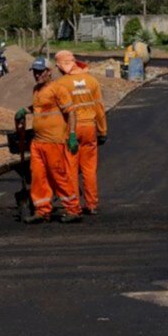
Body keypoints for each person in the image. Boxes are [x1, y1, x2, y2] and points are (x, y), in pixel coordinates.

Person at [16, 57, 81, 224]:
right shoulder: (36, 90)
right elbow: (39, 107)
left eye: (40, 72)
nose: (37, 75)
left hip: (54, 141)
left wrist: (72, 134)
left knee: (58, 176)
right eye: (35, 72)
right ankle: (42, 210)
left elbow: (71, 112)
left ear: (49, 72)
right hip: (37, 143)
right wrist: (25, 109)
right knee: (38, 177)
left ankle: (73, 209)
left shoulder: (58, 89)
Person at [52, 50, 107, 216]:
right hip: (90, 128)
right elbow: (99, 108)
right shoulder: (92, 81)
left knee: (71, 169)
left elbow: (56, 111)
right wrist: (103, 130)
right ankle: (92, 204)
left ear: (61, 65)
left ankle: (73, 205)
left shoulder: (61, 84)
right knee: (89, 169)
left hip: (72, 130)